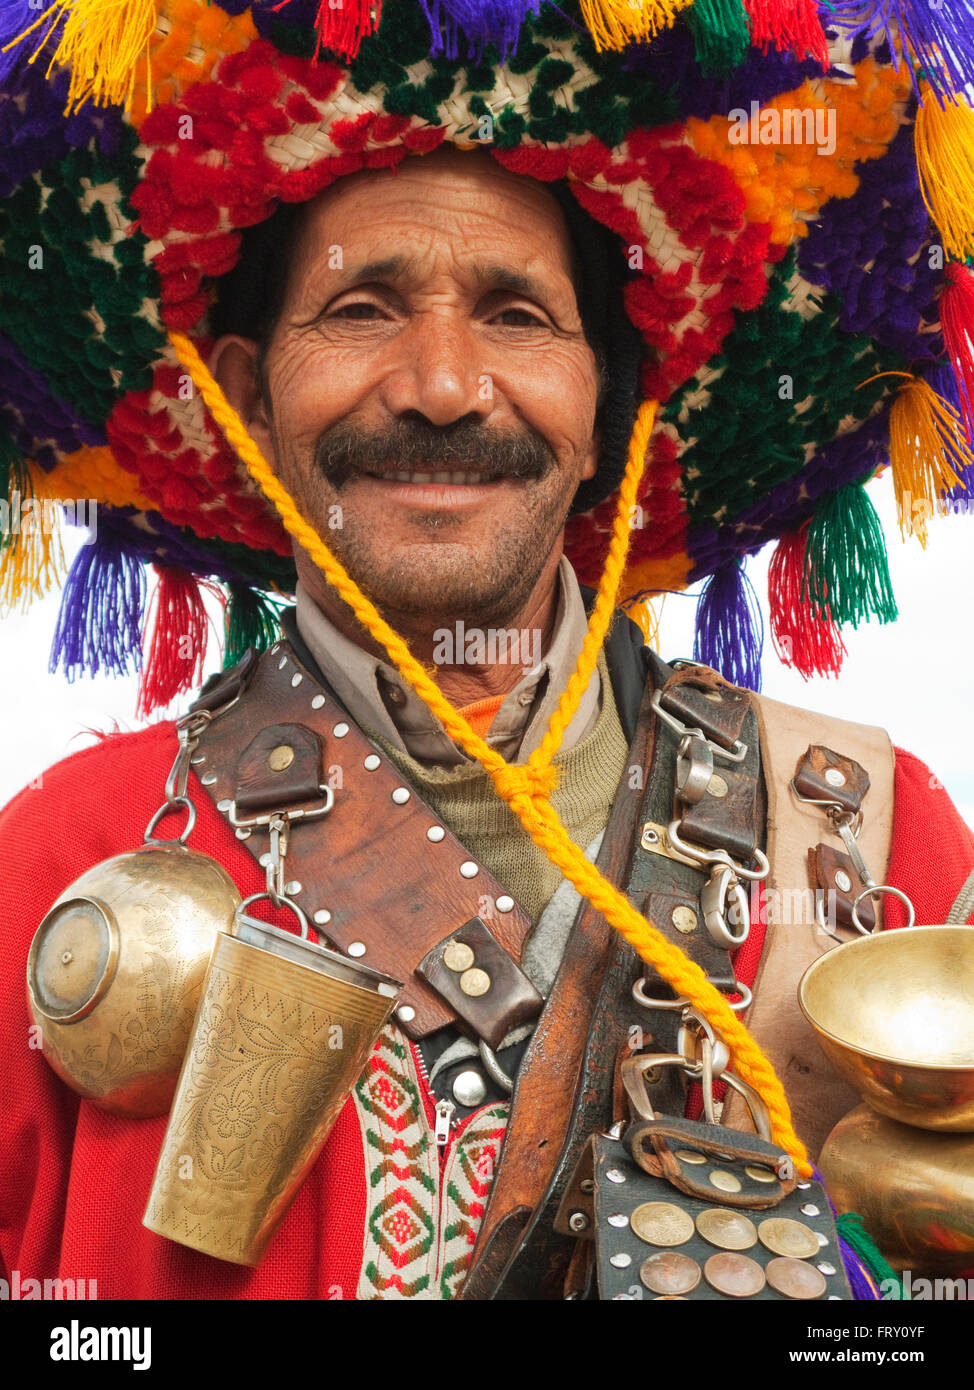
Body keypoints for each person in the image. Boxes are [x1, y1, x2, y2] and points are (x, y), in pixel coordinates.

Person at [1, 0, 973, 1301]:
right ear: (242, 392)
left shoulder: (879, 854)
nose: (443, 384)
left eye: (515, 314)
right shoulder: (59, 861)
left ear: (602, 409)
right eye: (361, 307)